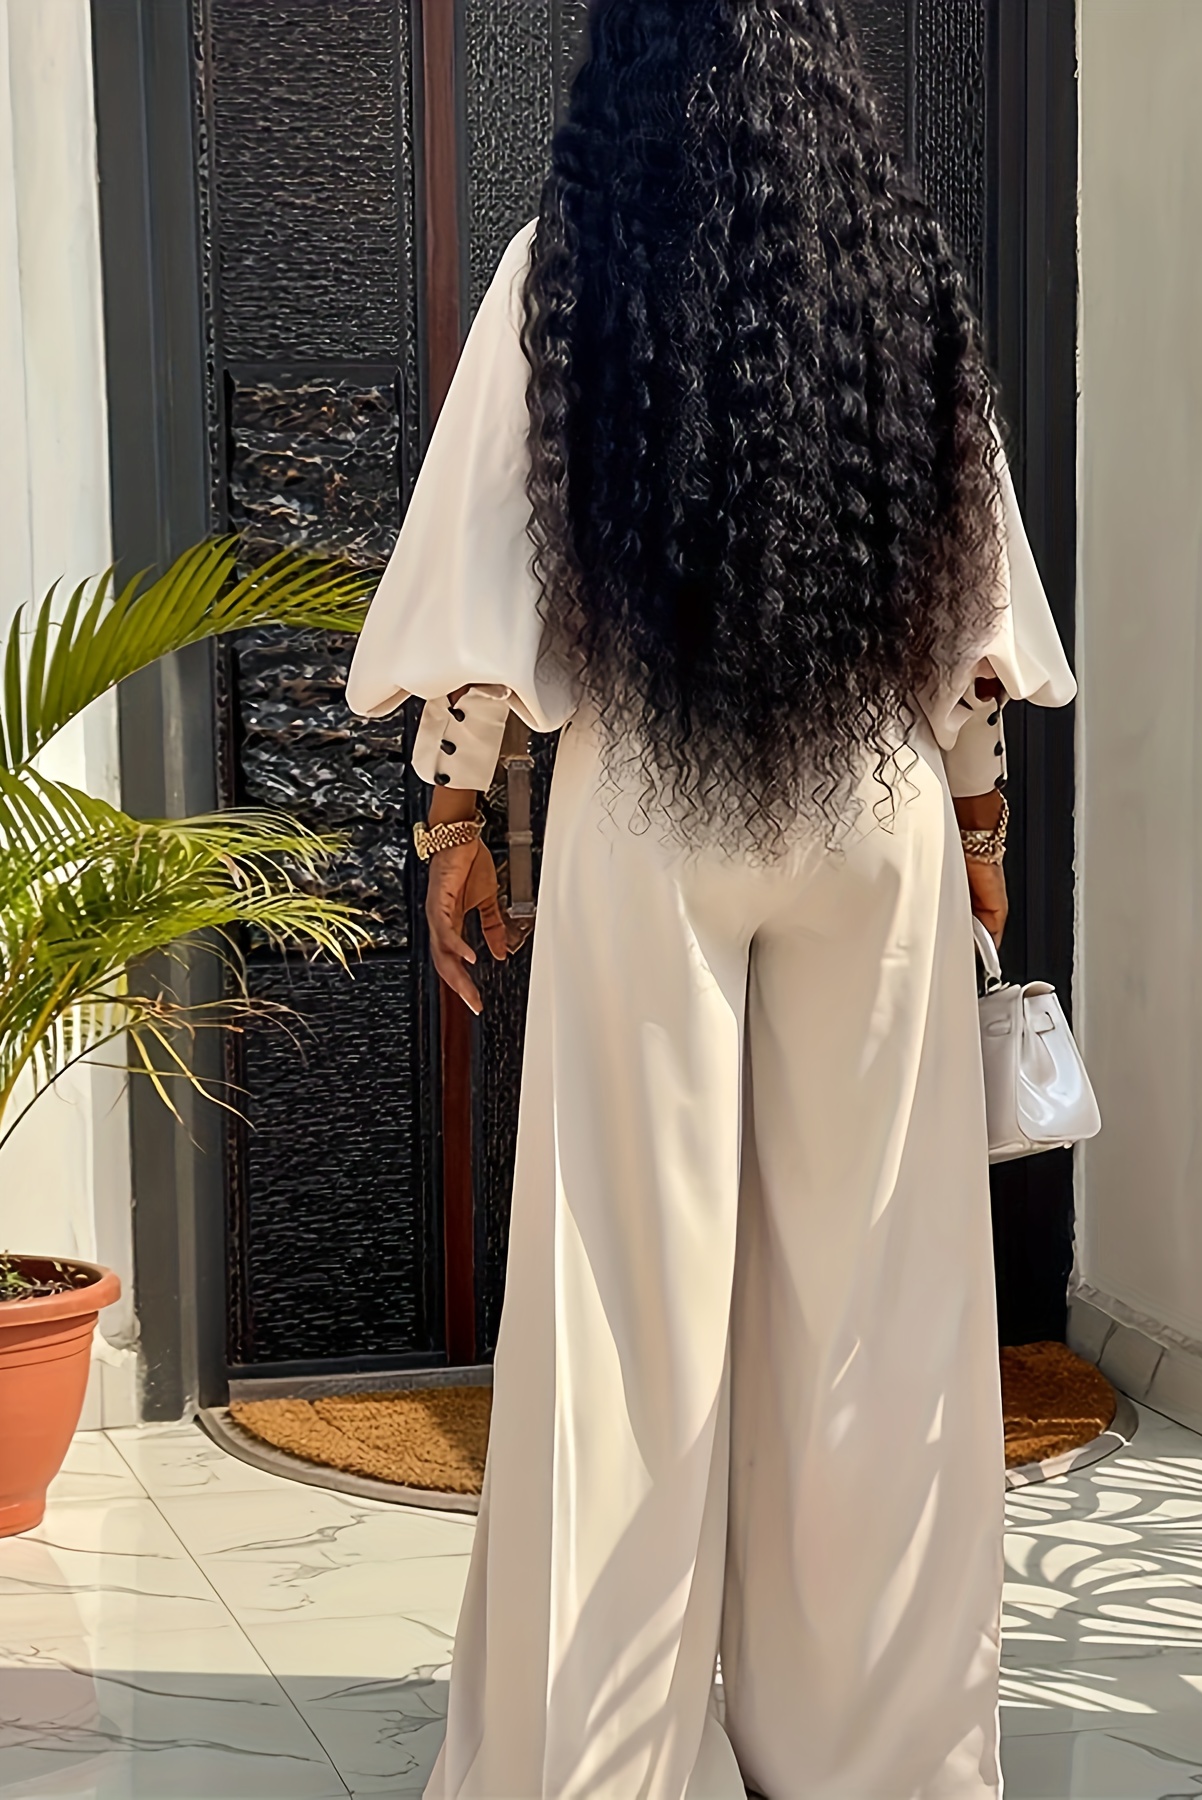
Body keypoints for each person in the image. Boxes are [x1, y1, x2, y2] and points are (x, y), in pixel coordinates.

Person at [348, 2, 1075, 1793]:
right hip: (873, 804)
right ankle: (879, 1754)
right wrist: (980, 826)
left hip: (649, 802)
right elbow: (969, 610)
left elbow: (490, 588)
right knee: (879, 1303)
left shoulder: (564, 265)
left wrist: (457, 812)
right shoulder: (902, 271)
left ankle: (593, 1760)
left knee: (623, 1304)